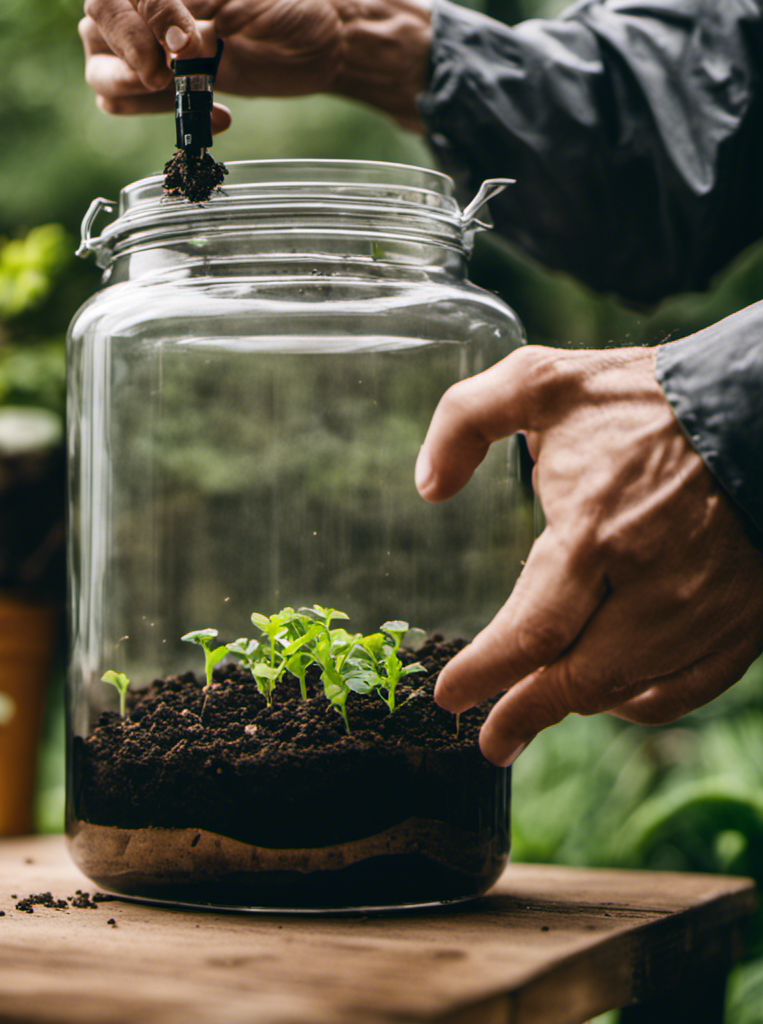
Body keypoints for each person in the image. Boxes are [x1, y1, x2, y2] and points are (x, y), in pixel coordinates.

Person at [79, 0, 763, 766]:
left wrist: (733, 415)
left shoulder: (460, 324)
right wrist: (357, 35)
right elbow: (692, 125)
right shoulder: (125, 323)